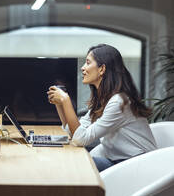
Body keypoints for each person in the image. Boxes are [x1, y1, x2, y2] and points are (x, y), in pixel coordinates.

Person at [47, 44, 157, 172]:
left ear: (102, 69)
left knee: (73, 163)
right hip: (119, 161)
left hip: (138, 166)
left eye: (88, 63)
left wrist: (66, 101)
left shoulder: (119, 102)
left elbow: (80, 139)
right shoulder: (103, 99)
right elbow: (73, 133)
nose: (83, 68)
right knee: (70, 160)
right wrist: (60, 105)